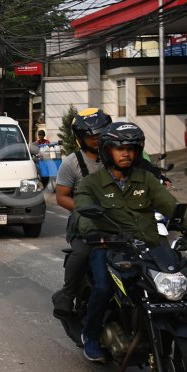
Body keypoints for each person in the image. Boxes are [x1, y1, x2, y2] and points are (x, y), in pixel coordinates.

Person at [73, 122, 187, 362]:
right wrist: (96, 234)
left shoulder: (146, 179)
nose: (126, 153)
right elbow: (83, 213)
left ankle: (161, 329)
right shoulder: (91, 184)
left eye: (131, 148)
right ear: (107, 151)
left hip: (150, 246)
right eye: (119, 148)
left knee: (183, 288)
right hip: (109, 247)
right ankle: (92, 336)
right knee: (104, 288)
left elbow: (170, 205)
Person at [50, 108, 112, 319]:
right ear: (80, 138)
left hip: (120, 219)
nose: (96, 139)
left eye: (100, 134)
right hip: (85, 222)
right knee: (83, 252)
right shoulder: (71, 163)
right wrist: (86, 210)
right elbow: (61, 197)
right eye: (91, 136)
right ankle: (66, 295)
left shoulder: (119, 155)